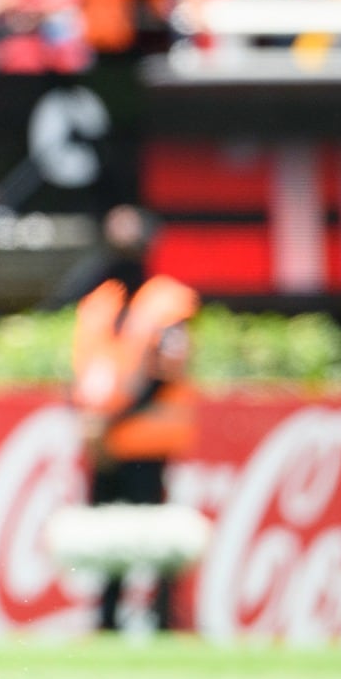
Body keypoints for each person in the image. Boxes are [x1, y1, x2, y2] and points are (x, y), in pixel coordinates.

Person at [70, 205, 200, 632]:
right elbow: (84, 374)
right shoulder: (99, 303)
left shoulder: (168, 301)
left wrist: (109, 423)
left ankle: (161, 619)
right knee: (108, 539)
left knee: (152, 538)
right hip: (106, 443)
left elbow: (164, 376)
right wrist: (90, 425)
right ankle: (106, 620)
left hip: (147, 439)